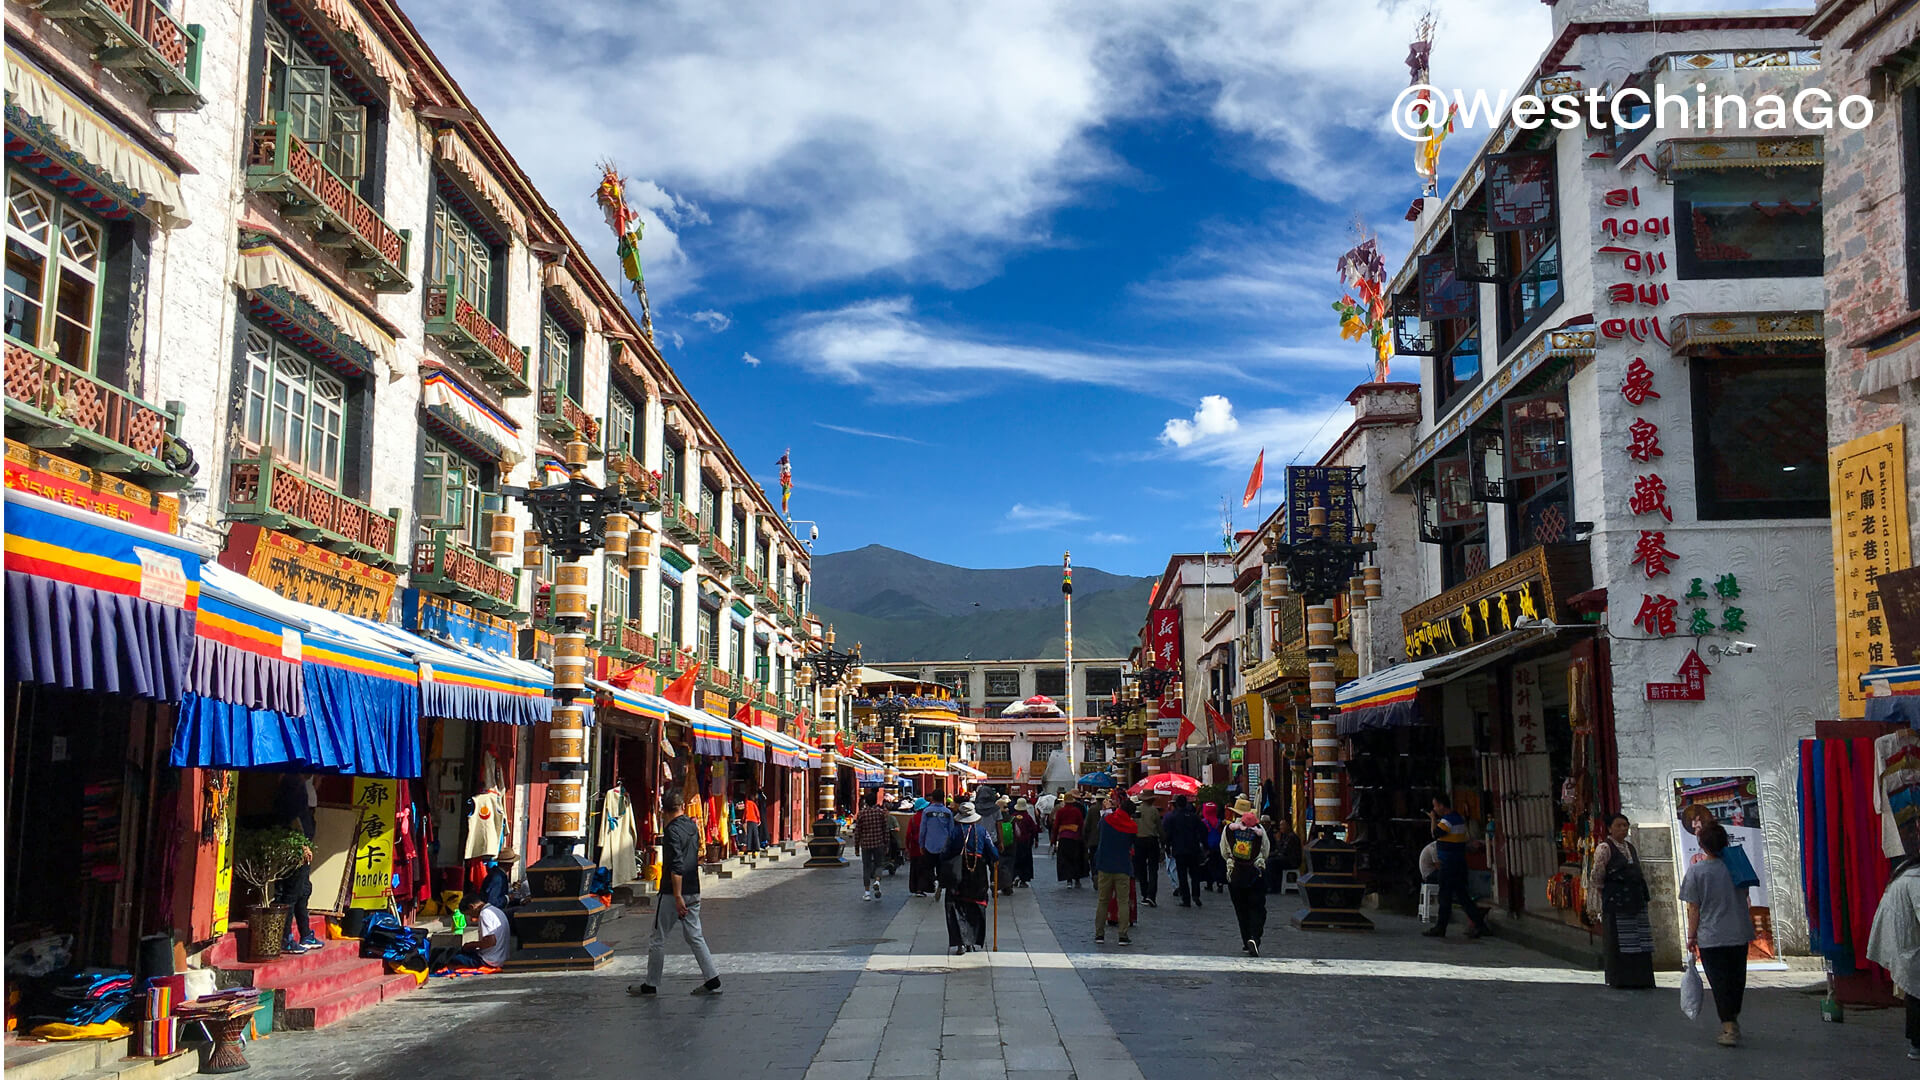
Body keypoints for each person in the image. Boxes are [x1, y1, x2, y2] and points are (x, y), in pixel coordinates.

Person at [629, 791, 722, 997]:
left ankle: (651, 983)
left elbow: (676, 864)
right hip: (694, 888)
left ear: (664, 810)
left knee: (658, 937)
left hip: (673, 892)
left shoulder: (671, 831)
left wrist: (678, 896)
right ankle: (712, 977)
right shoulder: (692, 826)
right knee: (695, 935)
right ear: (682, 807)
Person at [1680, 821, 1753, 1046]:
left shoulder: (1696, 871)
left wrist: (1691, 936)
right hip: (1739, 931)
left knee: (1720, 981)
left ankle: (1729, 1026)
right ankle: (1732, 1018)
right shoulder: (1737, 866)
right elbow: (1745, 893)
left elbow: (1694, 907)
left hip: (1711, 936)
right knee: (1736, 979)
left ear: (1702, 845)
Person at [1586, 813, 1655, 989]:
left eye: (1625, 825)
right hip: (1617, 901)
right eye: (1619, 825)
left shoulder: (1630, 847)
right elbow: (1597, 875)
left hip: (1635, 899)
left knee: (1639, 939)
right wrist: (1607, 892)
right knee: (1619, 940)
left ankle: (1640, 977)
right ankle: (1621, 979)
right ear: (1610, 828)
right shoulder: (1605, 848)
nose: (1623, 829)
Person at [1869, 854, 1920, 1061]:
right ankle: (1917, 1043)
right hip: (1909, 947)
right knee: (1916, 993)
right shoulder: (1916, 879)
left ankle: (1916, 1043)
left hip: (1903, 943)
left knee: (1914, 993)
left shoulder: (1908, 873)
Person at [1423, 793, 1488, 940]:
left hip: (1449, 864)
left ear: (1441, 805)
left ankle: (1441, 927)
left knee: (1445, 896)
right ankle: (1480, 924)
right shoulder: (1458, 818)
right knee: (1462, 896)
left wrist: (1433, 819)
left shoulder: (1447, 820)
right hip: (1459, 862)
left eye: (1435, 806)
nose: (1434, 809)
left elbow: (1435, 834)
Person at [274, 772, 321, 954]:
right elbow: (294, 818)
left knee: (302, 889)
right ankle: (286, 938)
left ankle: (305, 933)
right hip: (297, 846)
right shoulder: (292, 786)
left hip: (301, 842)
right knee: (291, 892)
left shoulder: (296, 785)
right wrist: (302, 844)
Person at [943, 801, 999, 954]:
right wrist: (993, 859)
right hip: (977, 872)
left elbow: (945, 852)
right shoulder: (981, 831)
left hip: (958, 873)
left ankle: (960, 942)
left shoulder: (954, 832)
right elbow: (993, 853)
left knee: (957, 905)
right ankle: (972, 941)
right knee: (976, 905)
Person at [1222, 802, 1269, 956]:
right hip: (1255, 873)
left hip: (1235, 873)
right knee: (1257, 907)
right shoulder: (1259, 830)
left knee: (1241, 909)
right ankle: (1255, 937)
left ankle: (1246, 939)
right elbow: (1266, 850)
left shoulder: (1228, 829)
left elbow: (1223, 851)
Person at [1092, 791, 1138, 945]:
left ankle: (1099, 934)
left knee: (1103, 900)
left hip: (1105, 865)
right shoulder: (1132, 826)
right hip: (1123, 866)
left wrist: (1107, 809)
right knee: (1123, 901)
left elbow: (1099, 827)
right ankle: (1123, 935)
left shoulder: (1107, 820)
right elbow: (1131, 845)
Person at [1164, 795, 1207, 907]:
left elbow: (1168, 835)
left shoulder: (1173, 818)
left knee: (1182, 875)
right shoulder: (1193, 817)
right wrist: (1203, 844)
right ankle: (1196, 894)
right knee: (1194, 874)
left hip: (1179, 850)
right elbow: (1203, 830)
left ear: (1177, 804)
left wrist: (1167, 847)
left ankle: (1186, 899)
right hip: (1193, 848)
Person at [453, 893, 511, 968]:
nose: (471, 918)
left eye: (470, 914)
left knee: (452, 958)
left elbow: (491, 941)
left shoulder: (485, 914)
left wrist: (472, 945)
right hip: (500, 958)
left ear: (471, 907)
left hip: (490, 961)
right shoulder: (496, 911)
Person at [854, 792, 892, 902]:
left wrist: (856, 847)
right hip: (878, 843)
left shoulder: (861, 814)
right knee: (879, 865)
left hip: (866, 844)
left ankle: (867, 893)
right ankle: (877, 881)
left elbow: (857, 832)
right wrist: (887, 844)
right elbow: (885, 830)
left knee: (866, 867)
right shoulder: (881, 813)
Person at [1053, 792, 1089, 888]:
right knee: (1076, 858)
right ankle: (1077, 879)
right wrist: (1081, 836)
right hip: (1075, 837)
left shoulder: (1060, 811)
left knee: (1065, 859)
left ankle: (1068, 880)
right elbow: (1081, 824)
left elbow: (1056, 826)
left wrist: (1053, 839)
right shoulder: (1076, 811)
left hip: (1064, 838)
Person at [1133, 794, 1164, 908]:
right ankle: (1151, 895)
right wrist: (1163, 842)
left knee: (1141, 869)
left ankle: (1144, 894)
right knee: (1153, 869)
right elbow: (1160, 828)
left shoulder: (1137, 810)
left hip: (1139, 840)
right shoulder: (1154, 810)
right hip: (1152, 840)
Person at [906, 798, 937, 897]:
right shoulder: (927, 818)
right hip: (925, 847)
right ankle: (921, 888)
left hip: (914, 848)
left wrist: (907, 847)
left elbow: (908, 834)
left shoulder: (913, 819)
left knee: (915, 868)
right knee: (925, 869)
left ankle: (915, 888)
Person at [1265, 816, 1302, 894]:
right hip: (1285, 858)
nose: (1280, 827)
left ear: (1288, 826)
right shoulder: (1285, 836)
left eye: (1282, 825)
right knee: (1269, 860)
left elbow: (1283, 851)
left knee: (1271, 862)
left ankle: (1273, 887)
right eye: (1280, 825)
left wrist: (1278, 841)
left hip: (1292, 861)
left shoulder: (1291, 837)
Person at [1008, 798, 1039, 888]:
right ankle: (1023, 879)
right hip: (1026, 842)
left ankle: (1014, 876)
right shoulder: (1028, 817)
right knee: (1025, 861)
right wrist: (1035, 840)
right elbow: (1034, 829)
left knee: (1015, 860)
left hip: (1014, 842)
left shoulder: (1013, 816)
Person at [1200, 801, 1226, 893]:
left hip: (1208, 845)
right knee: (1218, 864)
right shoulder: (1219, 821)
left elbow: (1202, 835)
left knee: (1209, 865)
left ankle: (1209, 883)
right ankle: (1220, 883)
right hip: (1218, 845)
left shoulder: (1203, 822)